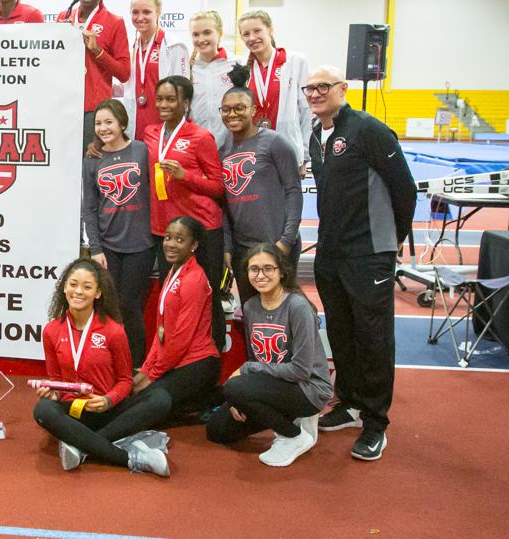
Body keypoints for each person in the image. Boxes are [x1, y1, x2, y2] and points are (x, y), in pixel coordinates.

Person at [305, 65, 416, 461]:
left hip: (369, 253)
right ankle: (349, 403)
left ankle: (375, 423)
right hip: (331, 252)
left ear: (342, 89)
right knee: (341, 331)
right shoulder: (318, 133)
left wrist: (391, 240)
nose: (315, 94)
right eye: (310, 88)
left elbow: (404, 188)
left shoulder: (368, 129)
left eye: (323, 87)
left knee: (373, 338)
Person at [33, 258, 170, 476]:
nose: (78, 291)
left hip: (109, 410)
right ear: (64, 288)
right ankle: (129, 458)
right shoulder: (52, 330)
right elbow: (56, 380)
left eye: (87, 287)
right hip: (74, 412)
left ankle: (81, 446)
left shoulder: (113, 330)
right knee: (43, 409)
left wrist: (108, 400)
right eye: (73, 284)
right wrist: (53, 394)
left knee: (160, 399)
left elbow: (125, 381)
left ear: (98, 293)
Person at [206, 243, 332, 467]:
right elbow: (259, 357)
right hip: (275, 384)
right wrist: (240, 398)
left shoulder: (298, 307)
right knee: (218, 430)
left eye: (268, 269)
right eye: (254, 269)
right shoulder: (251, 306)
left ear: (281, 271)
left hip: (308, 388)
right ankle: (291, 418)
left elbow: (301, 370)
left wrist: (246, 377)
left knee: (234, 387)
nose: (260, 275)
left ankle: (294, 436)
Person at [143, 76, 226, 349]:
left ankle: (210, 362)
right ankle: (175, 358)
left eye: (171, 99)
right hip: (166, 232)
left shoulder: (201, 137)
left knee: (206, 297)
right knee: (172, 297)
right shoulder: (150, 133)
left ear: (186, 103)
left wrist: (185, 176)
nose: (163, 105)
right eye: (160, 99)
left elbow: (218, 187)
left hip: (202, 230)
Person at [82, 99, 154, 368]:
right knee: (110, 306)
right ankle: (112, 362)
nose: (103, 128)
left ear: (123, 123)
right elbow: (89, 207)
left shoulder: (142, 151)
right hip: (108, 245)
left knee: (129, 304)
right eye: (98, 123)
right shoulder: (92, 159)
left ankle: (137, 365)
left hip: (140, 244)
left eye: (109, 122)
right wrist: (96, 248)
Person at [219, 75, 303, 306]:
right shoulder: (222, 150)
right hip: (244, 250)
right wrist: (227, 247)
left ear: (253, 110)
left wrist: (285, 241)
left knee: (282, 312)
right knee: (252, 312)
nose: (232, 114)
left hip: (276, 244)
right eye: (226, 109)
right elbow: (223, 204)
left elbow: (294, 191)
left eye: (239, 108)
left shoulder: (275, 143)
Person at [134, 217, 221, 417]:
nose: (171, 244)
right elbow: (161, 330)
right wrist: (147, 369)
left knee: (148, 402)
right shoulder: (174, 272)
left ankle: (209, 400)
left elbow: (181, 338)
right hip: (175, 359)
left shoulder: (194, 278)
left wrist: (153, 376)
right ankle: (195, 404)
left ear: (194, 245)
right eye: (167, 238)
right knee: (135, 388)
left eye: (180, 240)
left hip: (197, 363)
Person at [57, 0, 130, 151]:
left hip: (94, 110)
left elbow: (124, 73)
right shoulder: (62, 19)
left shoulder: (115, 22)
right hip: (63, 105)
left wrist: (97, 51)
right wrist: (58, 38)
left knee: (90, 166)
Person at [237, 10, 311, 171]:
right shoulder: (241, 67)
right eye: (246, 34)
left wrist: (305, 154)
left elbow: (306, 109)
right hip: (253, 151)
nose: (252, 38)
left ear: (270, 30)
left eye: (257, 31)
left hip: (288, 147)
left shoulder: (295, 61)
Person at [127, 0, 188, 139]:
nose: (140, 17)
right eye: (135, 12)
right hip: (136, 123)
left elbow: (183, 91)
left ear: (158, 12)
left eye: (146, 12)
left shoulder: (174, 45)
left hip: (162, 122)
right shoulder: (132, 46)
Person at [188, 10, 239, 147]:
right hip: (196, 146)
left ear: (220, 33)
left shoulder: (236, 63)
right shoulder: (187, 68)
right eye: (195, 34)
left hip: (231, 145)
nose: (201, 39)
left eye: (207, 32)